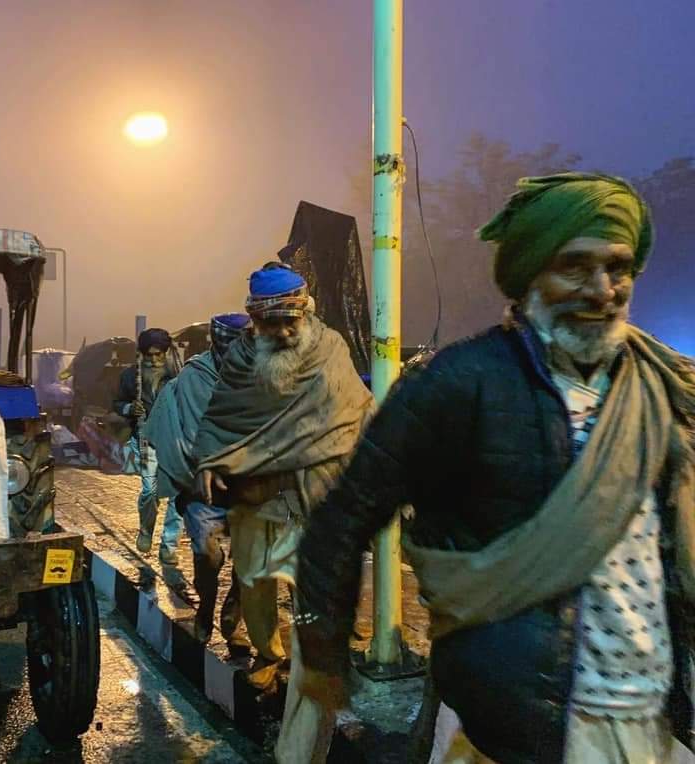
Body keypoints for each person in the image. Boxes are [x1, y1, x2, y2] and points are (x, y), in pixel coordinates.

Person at [294, 173, 695, 763]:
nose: (602, 289)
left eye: (618, 267)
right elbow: (343, 519)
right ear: (530, 273)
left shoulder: (660, 386)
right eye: (575, 267)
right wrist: (323, 654)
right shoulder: (460, 384)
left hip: (647, 715)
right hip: (512, 722)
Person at [193, 263, 374, 764]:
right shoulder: (240, 358)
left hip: (317, 493)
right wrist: (211, 461)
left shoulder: (331, 347)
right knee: (255, 581)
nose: (284, 331)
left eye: (290, 320)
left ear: (306, 309)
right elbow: (222, 417)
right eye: (271, 323)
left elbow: (353, 410)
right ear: (254, 320)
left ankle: (313, 667)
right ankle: (268, 655)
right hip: (259, 495)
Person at [143, 312, 251, 649]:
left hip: (249, 486)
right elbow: (191, 432)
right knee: (208, 555)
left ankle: (233, 621)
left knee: (249, 563)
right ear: (218, 346)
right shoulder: (194, 377)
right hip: (201, 488)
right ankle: (205, 607)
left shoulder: (260, 375)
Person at [113, 327, 182, 564]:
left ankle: (169, 546)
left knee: (177, 494)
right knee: (150, 491)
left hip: (174, 441)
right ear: (141, 355)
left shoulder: (180, 377)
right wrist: (129, 408)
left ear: (167, 353)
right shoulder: (129, 377)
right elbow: (117, 403)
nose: (153, 360)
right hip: (144, 439)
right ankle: (146, 529)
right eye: (148, 355)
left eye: (158, 355)